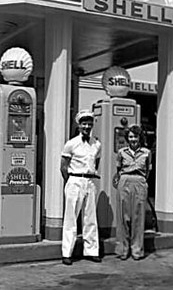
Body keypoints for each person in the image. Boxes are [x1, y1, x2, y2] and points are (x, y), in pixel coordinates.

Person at [60, 110, 102, 266]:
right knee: (71, 218)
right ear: (79, 125)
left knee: (90, 218)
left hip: (89, 182)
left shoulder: (96, 144)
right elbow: (63, 167)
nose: (87, 126)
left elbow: (96, 162)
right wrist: (70, 181)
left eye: (89, 123)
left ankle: (91, 251)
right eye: (84, 123)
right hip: (74, 180)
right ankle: (67, 253)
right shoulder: (71, 144)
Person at [113, 124, 152, 261]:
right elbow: (118, 169)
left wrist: (141, 181)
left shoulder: (146, 153)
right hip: (124, 181)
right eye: (130, 136)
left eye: (135, 136)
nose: (133, 139)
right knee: (123, 217)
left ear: (139, 137)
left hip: (139, 181)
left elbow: (148, 171)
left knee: (138, 217)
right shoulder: (121, 152)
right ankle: (122, 250)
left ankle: (137, 250)